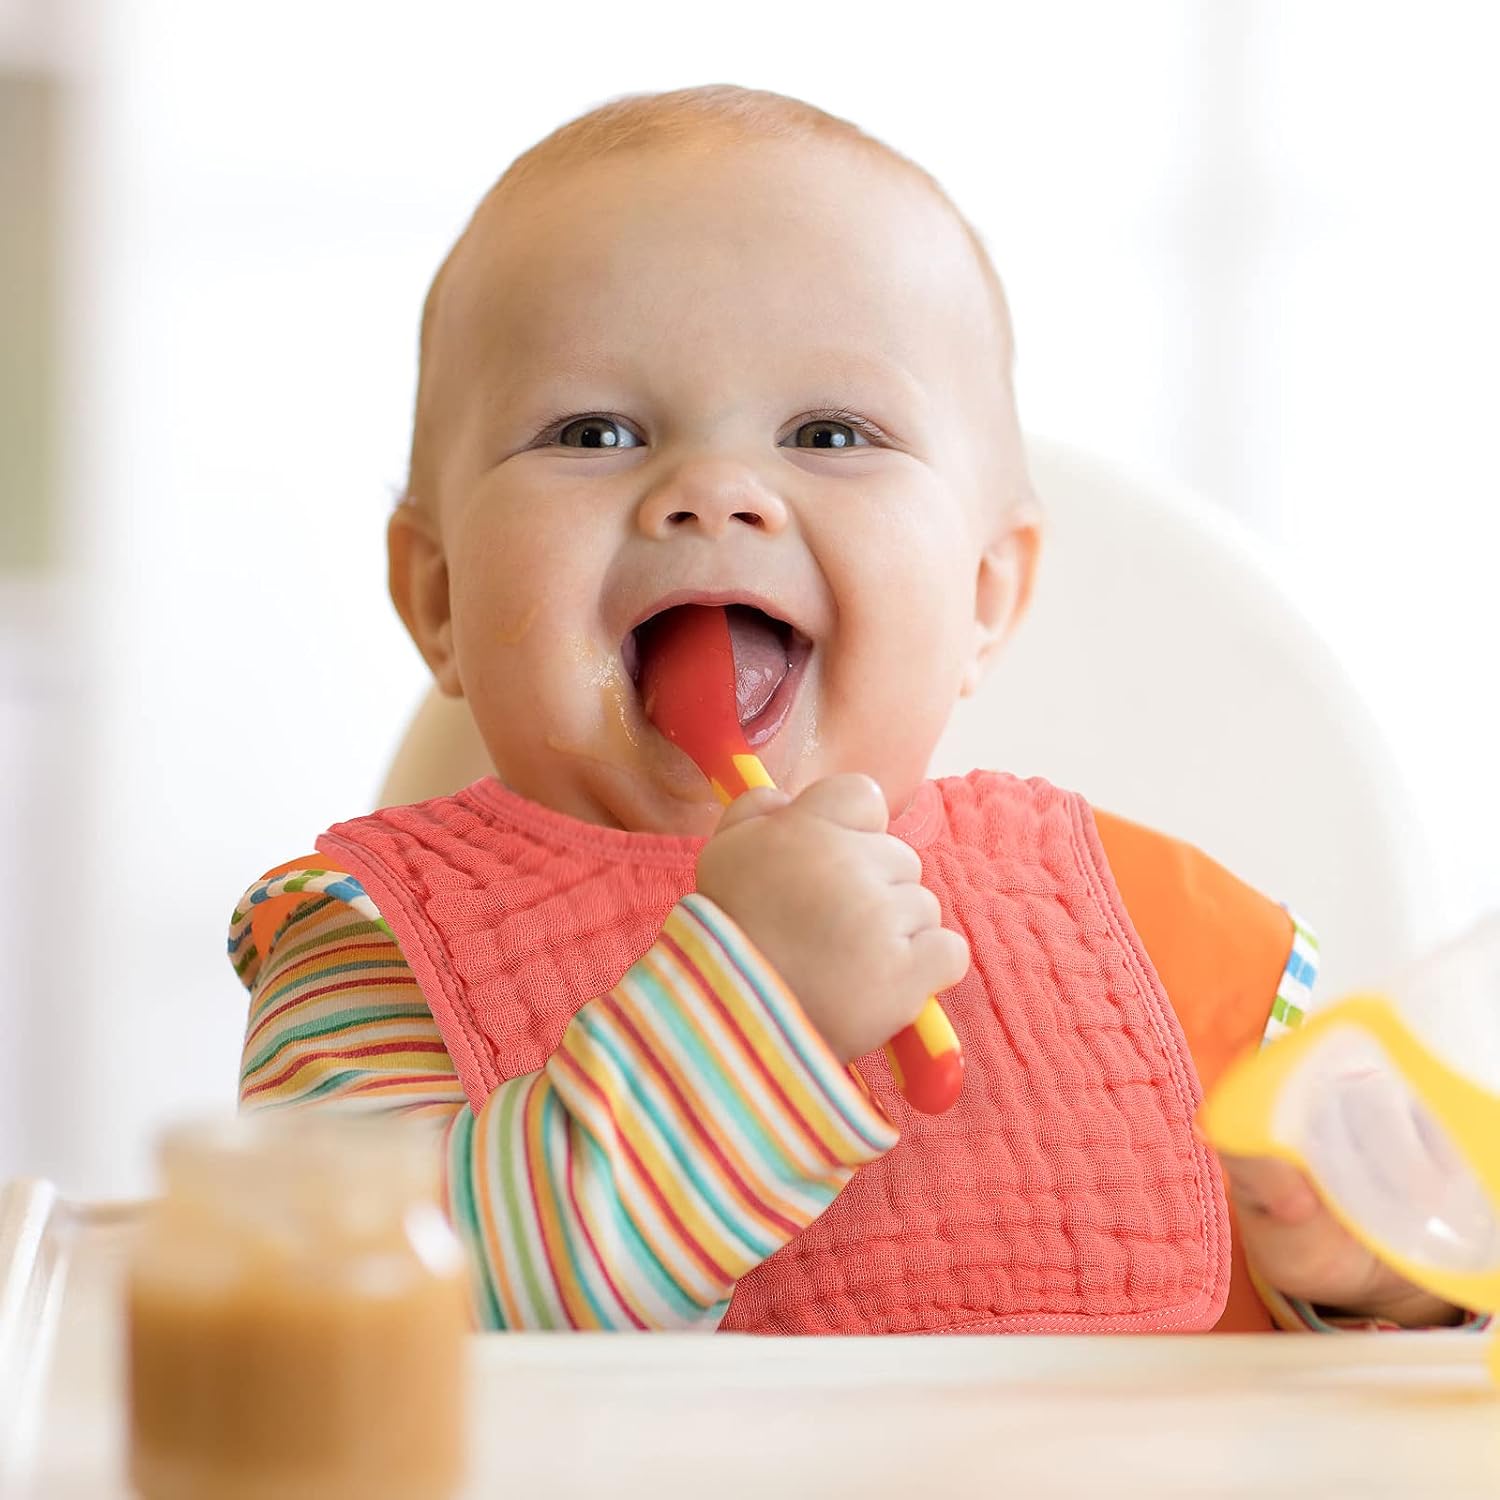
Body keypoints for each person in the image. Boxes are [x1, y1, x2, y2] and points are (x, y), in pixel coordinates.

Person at [229, 84, 1474, 1335]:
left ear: (985, 596)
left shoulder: (1142, 927)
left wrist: (1378, 1270)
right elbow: (353, 1333)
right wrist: (752, 1016)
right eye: (595, 431)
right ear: (437, 595)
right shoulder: (375, 949)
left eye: (829, 433)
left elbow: (1349, 1360)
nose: (713, 490)